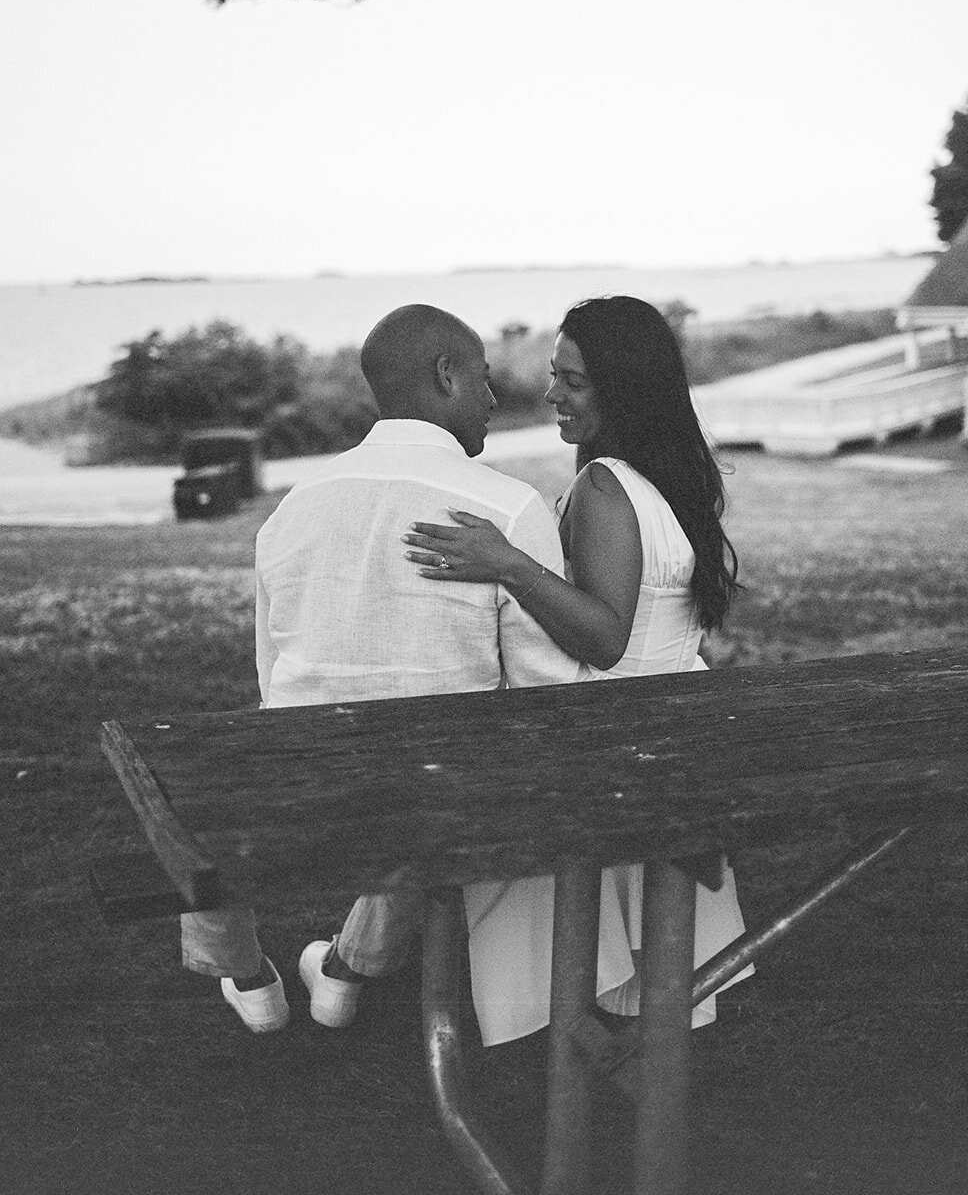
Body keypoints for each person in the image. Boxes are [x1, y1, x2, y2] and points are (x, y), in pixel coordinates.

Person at [181, 303, 636, 1038]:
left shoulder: (292, 511)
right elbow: (545, 693)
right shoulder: (504, 509)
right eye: (485, 380)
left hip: (297, 790)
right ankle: (347, 968)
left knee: (231, 793)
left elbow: (275, 673)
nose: (494, 400)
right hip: (443, 806)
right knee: (435, 778)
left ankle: (249, 976)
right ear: (446, 374)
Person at [405, 294, 753, 1027]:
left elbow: (603, 637)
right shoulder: (669, 478)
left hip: (612, 745)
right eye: (556, 375)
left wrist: (508, 563)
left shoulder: (604, 488)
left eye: (574, 381)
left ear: (624, 389)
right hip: (664, 734)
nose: (552, 393)